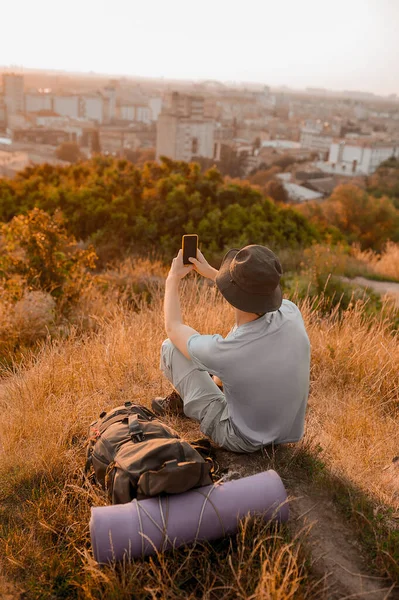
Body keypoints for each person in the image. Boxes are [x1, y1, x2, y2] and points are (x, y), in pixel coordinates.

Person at [152, 244, 310, 453]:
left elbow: (173, 328)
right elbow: (250, 300)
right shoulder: (291, 311)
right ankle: (216, 385)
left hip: (243, 438)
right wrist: (212, 273)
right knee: (235, 337)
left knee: (171, 347)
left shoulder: (231, 351)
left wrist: (172, 279)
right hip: (286, 432)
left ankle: (186, 401)